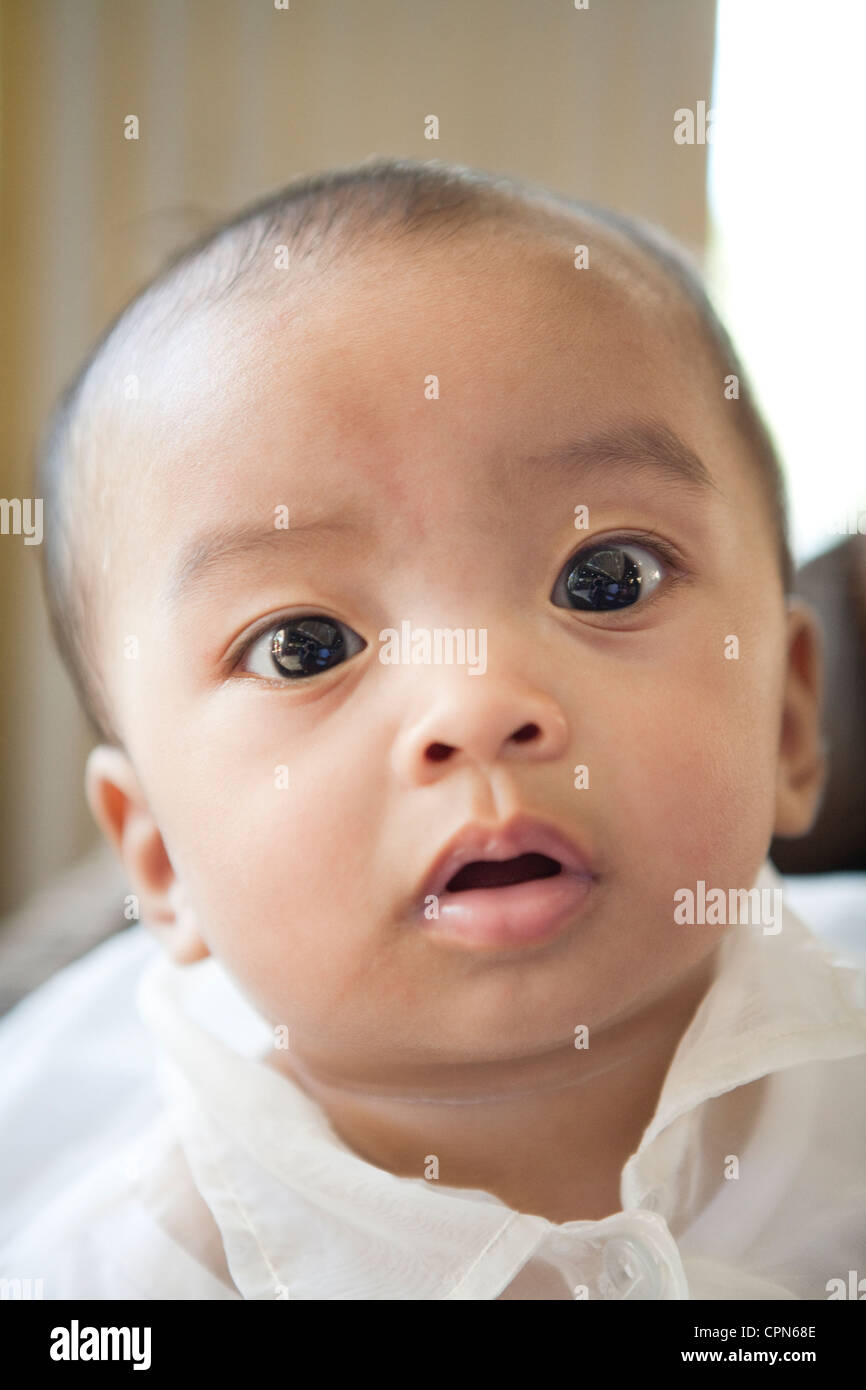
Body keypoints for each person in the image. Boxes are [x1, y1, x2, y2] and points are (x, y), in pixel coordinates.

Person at [2, 157, 864, 1300]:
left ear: (790, 721)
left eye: (604, 576)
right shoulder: (136, 1280)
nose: (474, 704)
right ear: (159, 856)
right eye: (304, 646)